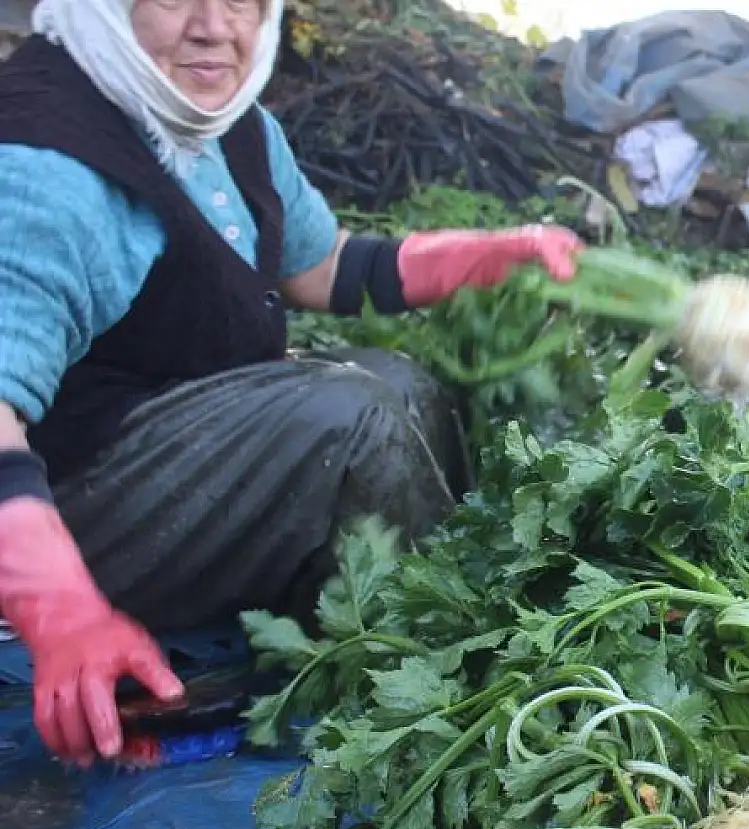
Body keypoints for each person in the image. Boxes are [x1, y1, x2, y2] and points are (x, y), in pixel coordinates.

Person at [0, 0, 589, 767]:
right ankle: (444, 683)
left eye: (242, 0)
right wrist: (61, 612)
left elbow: (320, 266)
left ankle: (405, 630)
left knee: (399, 383)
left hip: (164, 446)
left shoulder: (220, 122)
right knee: (349, 420)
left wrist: (480, 256)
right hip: (71, 506)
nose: (217, 27)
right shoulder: (50, 166)